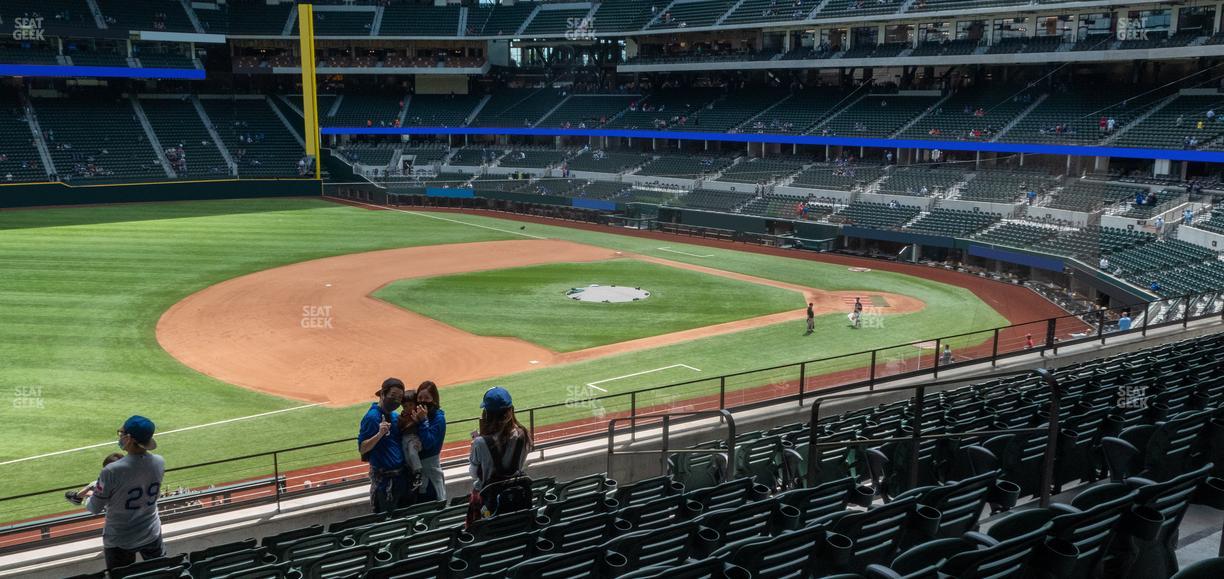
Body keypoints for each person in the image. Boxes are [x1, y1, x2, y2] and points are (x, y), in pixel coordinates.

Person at [80, 416, 165, 571]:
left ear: (130, 438)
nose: (120, 437)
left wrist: (89, 495)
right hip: (151, 531)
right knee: (160, 573)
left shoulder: (111, 471)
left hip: (120, 538)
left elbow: (94, 508)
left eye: (122, 434)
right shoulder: (159, 461)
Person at [468, 387, 532, 521]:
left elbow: (474, 474)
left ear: (486, 413)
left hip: (487, 500)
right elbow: (520, 464)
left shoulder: (479, 443)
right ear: (510, 411)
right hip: (516, 496)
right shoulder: (523, 434)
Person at [359, 378, 407, 513]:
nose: (396, 400)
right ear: (382, 394)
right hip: (384, 481)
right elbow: (363, 448)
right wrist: (379, 434)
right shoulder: (372, 418)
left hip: (400, 478)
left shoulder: (395, 416)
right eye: (392, 396)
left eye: (399, 397)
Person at [415, 380, 447, 501]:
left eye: (427, 398)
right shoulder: (417, 415)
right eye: (420, 397)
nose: (423, 401)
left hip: (430, 478)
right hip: (416, 476)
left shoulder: (439, 419)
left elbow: (428, 443)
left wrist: (422, 422)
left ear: (434, 399)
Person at [398, 390, 424, 491]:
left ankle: (418, 473)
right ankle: (412, 474)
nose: (408, 408)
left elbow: (421, 425)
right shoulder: (401, 416)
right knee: (406, 456)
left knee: (413, 454)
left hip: (414, 438)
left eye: (410, 405)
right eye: (405, 406)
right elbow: (400, 428)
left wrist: (416, 421)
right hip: (405, 439)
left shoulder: (418, 414)